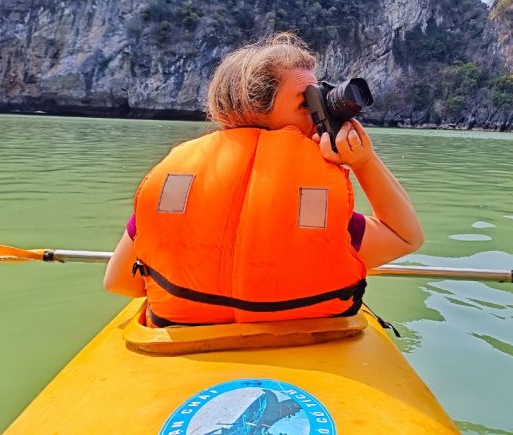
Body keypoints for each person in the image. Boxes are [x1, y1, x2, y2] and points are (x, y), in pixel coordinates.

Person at [103, 32, 423, 325]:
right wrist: (365, 162)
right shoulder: (315, 200)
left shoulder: (174, 181)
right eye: (308, 104)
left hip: (182, 349)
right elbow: (406, 237)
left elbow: (118, 282)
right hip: (306, 345)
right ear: (254, 108)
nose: (320, 114)